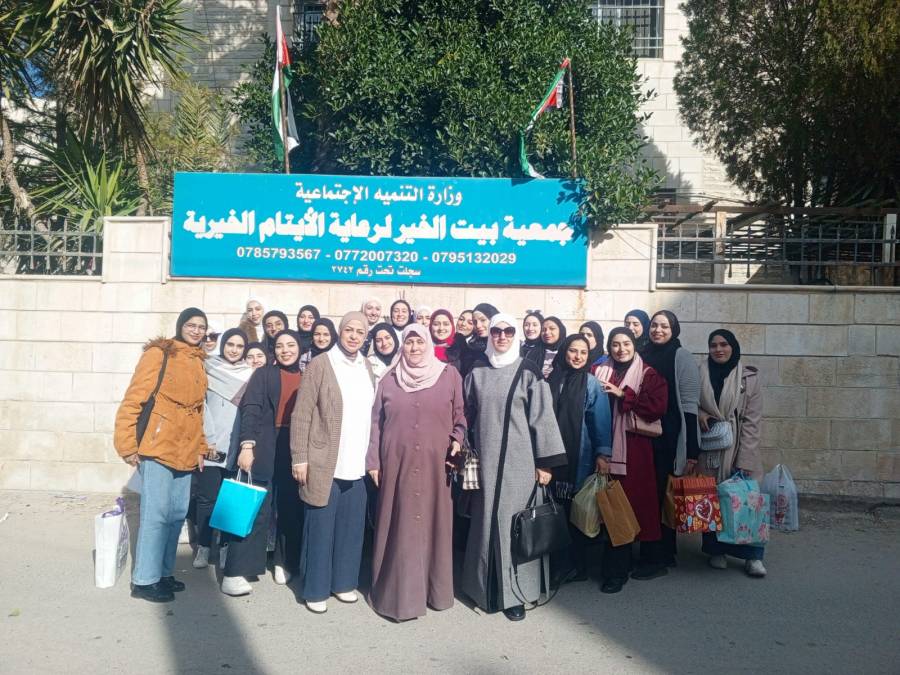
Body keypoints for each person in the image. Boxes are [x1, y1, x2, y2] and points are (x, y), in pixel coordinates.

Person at [462, 313, 566, 621]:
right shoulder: (477, 370)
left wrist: (546, 463)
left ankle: (516, 594)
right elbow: (465, 413)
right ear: (490, 335)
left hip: (520, 464)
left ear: (515, 335)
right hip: (485, 462)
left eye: (508, 331)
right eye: (497, 331)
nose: (502, 336)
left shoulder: (527, 371)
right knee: (485, 525)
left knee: (516, 528)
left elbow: (543, 417)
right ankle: (482, 588)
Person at [366, 324, 467, 621]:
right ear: (402, 346)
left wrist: (458, 439)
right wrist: (373, 461)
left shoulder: (449, 374)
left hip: (437, 464)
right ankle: (399, 596)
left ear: (428, 344)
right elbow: (375, 423)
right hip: (397, 462)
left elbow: (461, 415)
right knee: (399, 525)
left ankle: (435, 592)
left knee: (435, 524)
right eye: (409, 342)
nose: (414, 348)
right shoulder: (389, 379)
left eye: (419, 342)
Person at [114, 307, 209, 603]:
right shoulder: (160, 353)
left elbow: (198, 412)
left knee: (176, 514)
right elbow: (134, 398)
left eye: (201, 327)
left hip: (186, 449)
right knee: (155, 514)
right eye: (191, 325)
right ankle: (144, 580)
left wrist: (201, 447)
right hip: (159, 445)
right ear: (181, 325)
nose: (196, 330)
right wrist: (127, 444)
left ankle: (164, 573)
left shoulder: (198, 361)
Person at [290, 312, 376, 614]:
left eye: (360, 332)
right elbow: (302, 414)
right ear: (340, 332)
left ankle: (343, 582)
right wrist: (300, 457)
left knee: (351, 529)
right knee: (321, 528)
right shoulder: (321, 364)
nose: (354, 336)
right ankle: (315, 589)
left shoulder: (366, 366)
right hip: (323, 460)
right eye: (349, 330)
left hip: (356, 460)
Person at [221, 330, 304, 596]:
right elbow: (251, 409)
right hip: (264, 446)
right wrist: (247, 446)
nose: (286, 350)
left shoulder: (307, 376)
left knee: (289, 510)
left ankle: (283, 561)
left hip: (293, 448)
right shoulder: (264, 374)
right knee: (253, 508)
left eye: (291, 345)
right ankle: (234, 571)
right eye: (280, 346)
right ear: (273, 350)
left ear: (299, 348)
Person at [595, 328, 669, 593]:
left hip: (633, 451)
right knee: (606, 506)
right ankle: (613, 564)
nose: (621, 349)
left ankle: (618, 571)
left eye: (626, 343)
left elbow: (658, 407)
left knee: (628, 506)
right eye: (615, 344)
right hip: (601, 446)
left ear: (634, 345)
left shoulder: (649, 374)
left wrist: (623, 395)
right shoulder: (598, 370)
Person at [698, 329, 766, 577]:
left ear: (733, 347)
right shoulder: (700, 373)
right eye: (713, 345)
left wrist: (744, 458)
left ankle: (753, 557)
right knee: (712, 501)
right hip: (710, 450)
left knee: (746, 502)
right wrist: (700, 414)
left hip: (738, 447)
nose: (718, 349)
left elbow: (752, 422)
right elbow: (690, 402)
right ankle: (716, 550)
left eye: (724, 344)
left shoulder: (748, 378)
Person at [637, 310, 701, 576]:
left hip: (670, 437)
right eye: (654, 325)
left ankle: (659, 557)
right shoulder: (642, 353)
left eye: (664, 326)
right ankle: (661, 552)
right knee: (651, 495)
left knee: (664, 495)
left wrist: (692, 451)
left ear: (674, 330)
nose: (658, 330)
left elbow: (690, 405)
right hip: (643, 435)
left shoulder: (680, 356)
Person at [546, 335, 612, 586]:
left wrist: (603, 454)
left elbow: (600, 421)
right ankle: (557, 563)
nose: (577, 356)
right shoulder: (552, 380)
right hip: (552, 455)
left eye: (583, 352)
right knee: (555, 511)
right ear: (565, 352)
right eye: (573, 351)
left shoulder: (591, 383)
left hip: (579, 457)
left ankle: (576, 566)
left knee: (575, 513)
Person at [194, 328, 252, 570]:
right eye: (230, 344)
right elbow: (201, 406)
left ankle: (226, 548)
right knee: (206, 499)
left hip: (236, 446)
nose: (234, 350)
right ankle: (204, 547)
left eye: (239, 346)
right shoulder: (209, 368)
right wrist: (206, 440)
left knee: (231, 500)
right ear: (223, 344)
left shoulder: (250, 374)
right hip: (211, 445)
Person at [455, 302, 498, 378]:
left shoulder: (503, 345)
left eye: (483, 320)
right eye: (475, 322)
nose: (478, 325)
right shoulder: (472, 348)